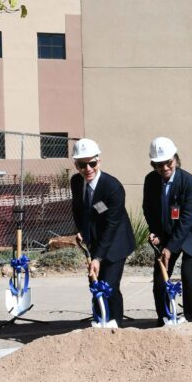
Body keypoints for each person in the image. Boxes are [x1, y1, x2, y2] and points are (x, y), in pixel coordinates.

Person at [142, 137, 192, 323]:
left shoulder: (189, 182)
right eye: (159, 164)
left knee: (188, 275)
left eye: (168, 162)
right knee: (159, 278)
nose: (164, 168)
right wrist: (154, 231)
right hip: (166, 234)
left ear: (176, 159)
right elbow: (148, 209)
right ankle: (164, 318)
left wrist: (170, 248)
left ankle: (191, 318)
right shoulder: (150, 180)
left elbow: (187, 219)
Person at [70, 138, 135, 328]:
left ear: (99, 161)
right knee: (95, 283)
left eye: (92, 163)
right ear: (77, 165)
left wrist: (98, 257)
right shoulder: (76, 182)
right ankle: (100, 321)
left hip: (116, 242)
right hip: (95, 240)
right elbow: (77, 209)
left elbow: (112, 225)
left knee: (110, 285)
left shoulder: (112, 187)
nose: (88, 169)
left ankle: (115, 324)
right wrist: (81, 230)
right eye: (82, 165)